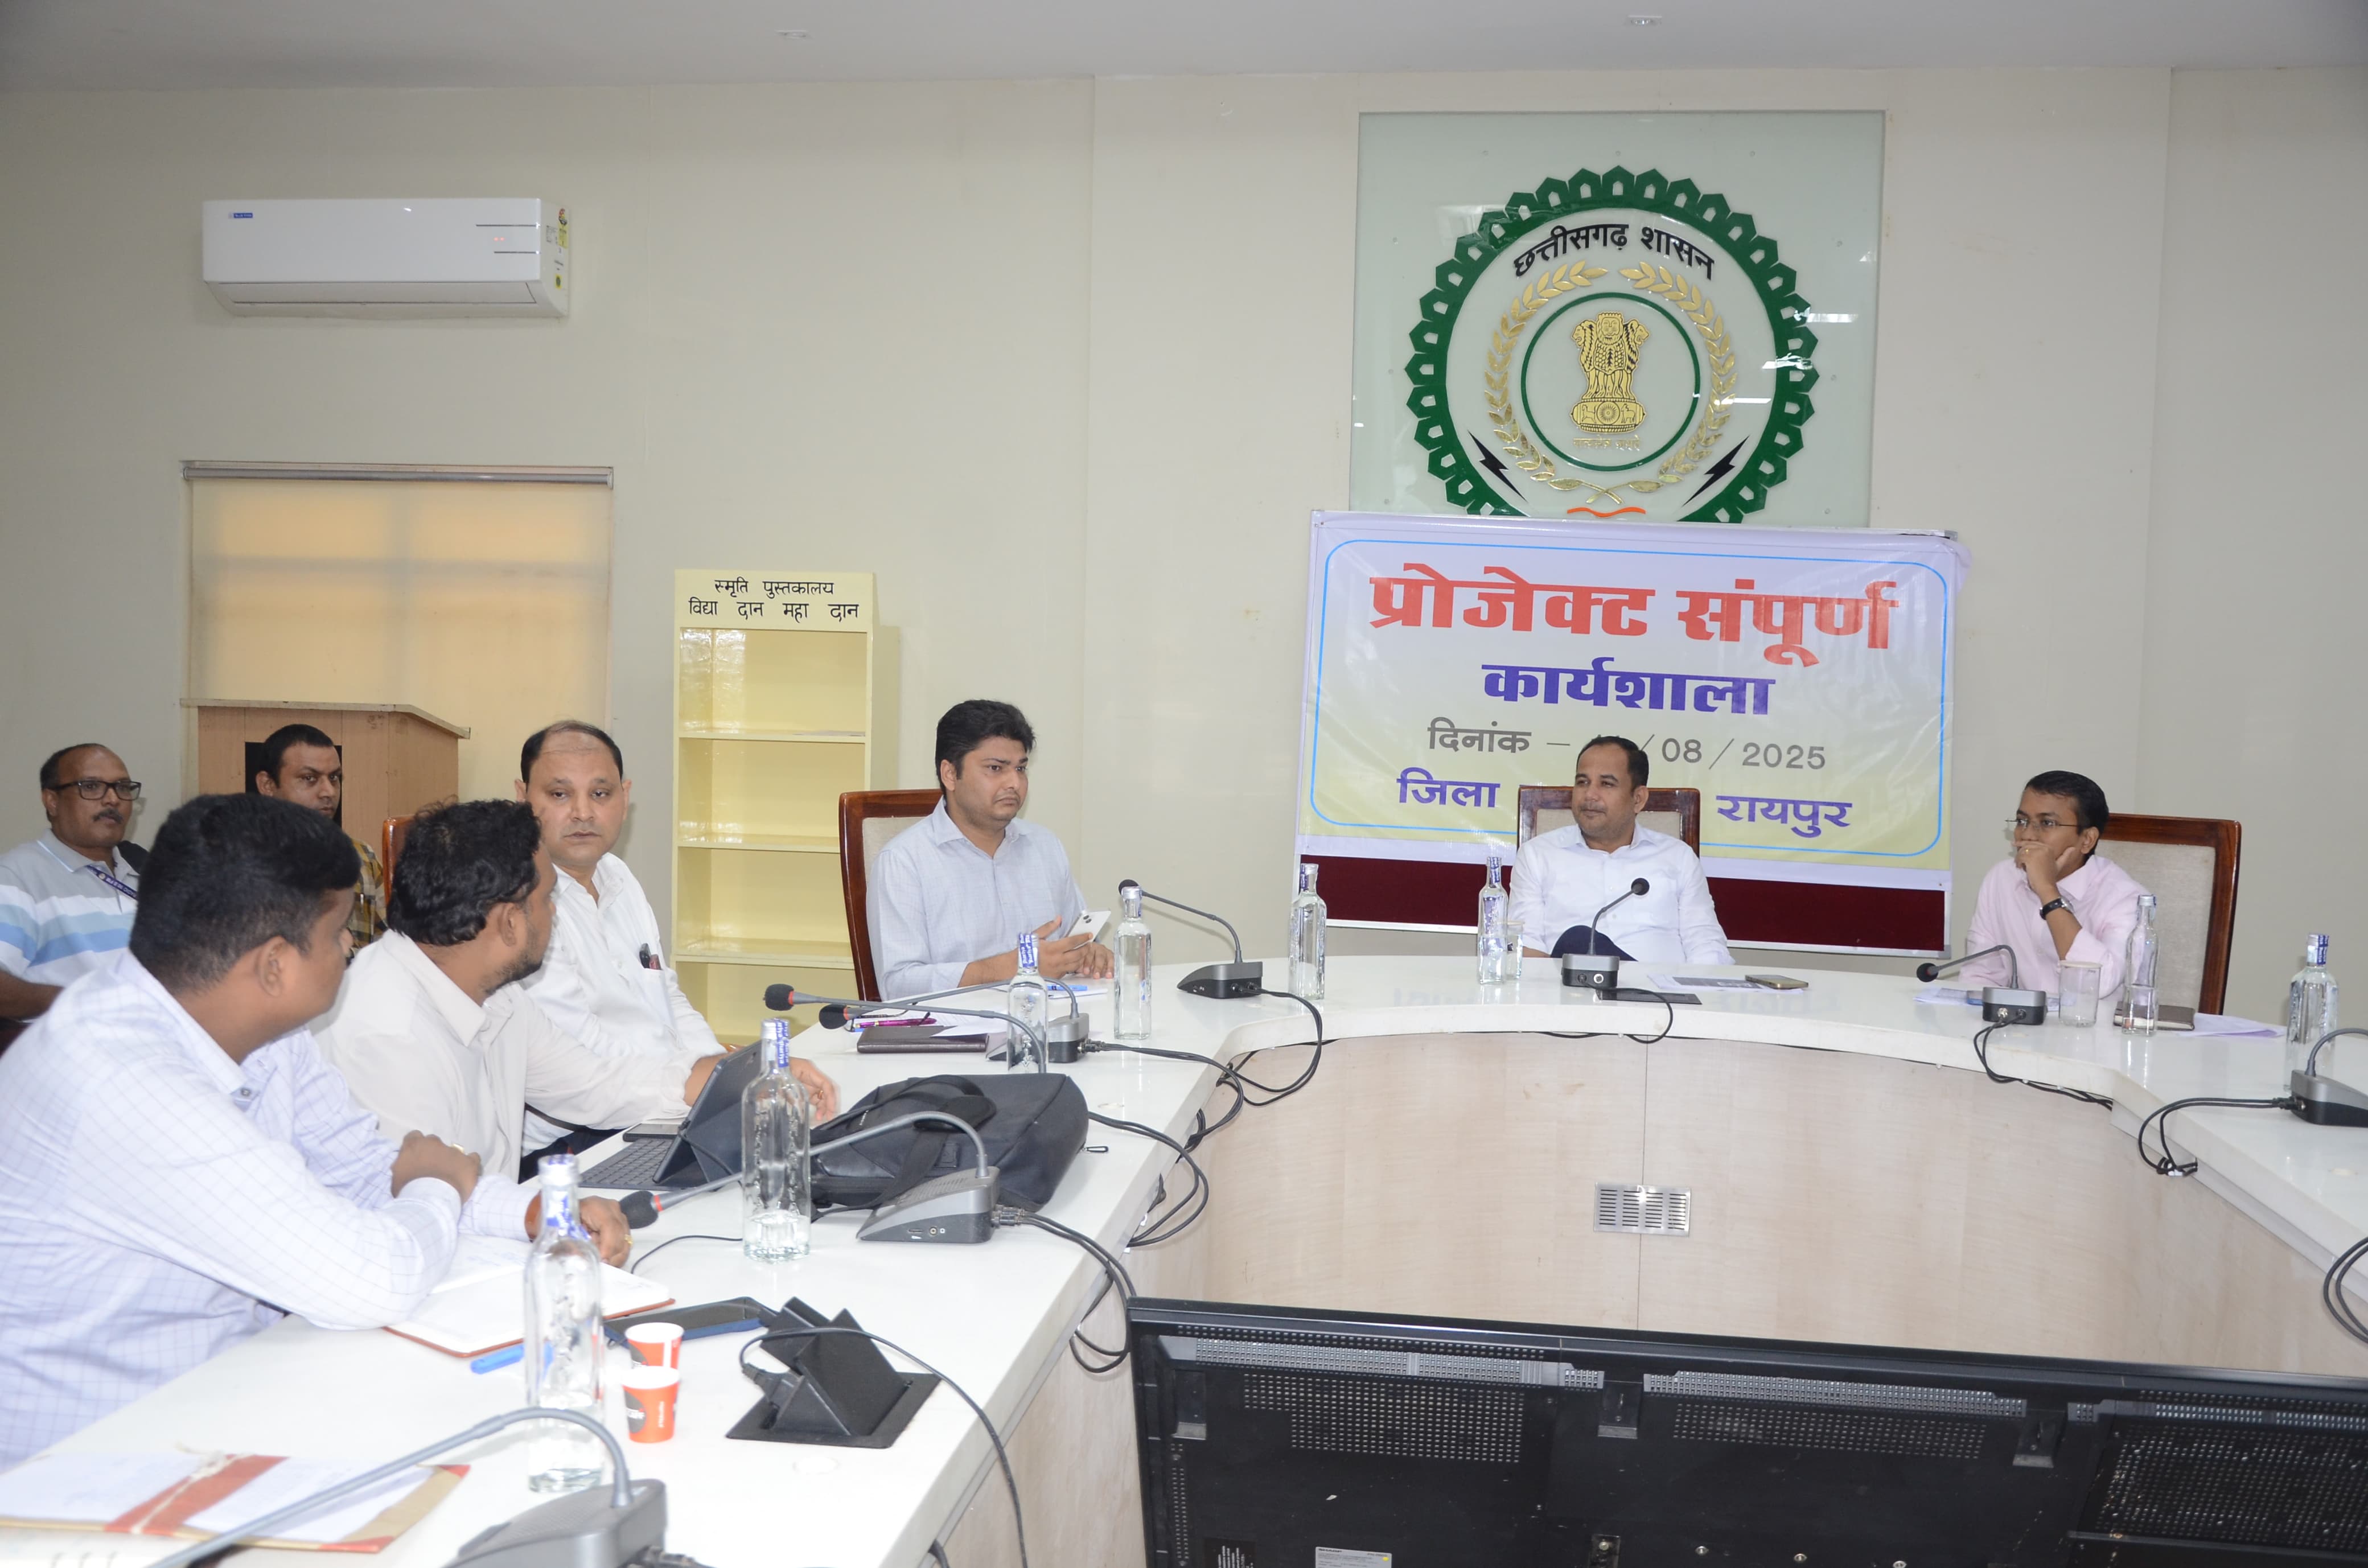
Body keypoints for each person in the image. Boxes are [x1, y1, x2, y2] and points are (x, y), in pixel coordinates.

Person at [0, 793, 493, 1466]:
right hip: (91, 1472)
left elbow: (361, 1168)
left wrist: (538, 1214)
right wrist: (437, 1186)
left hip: (223, 1400)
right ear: (274, 965)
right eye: (339, 931)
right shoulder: (125, 1081)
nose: (351, 946)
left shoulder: (245, 1022)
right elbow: (371, 1279)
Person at [315, 799, 720, 1260]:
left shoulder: (492, 991)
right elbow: (417, 1224)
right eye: (548, 899)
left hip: (489, 1254)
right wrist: (545, 1220)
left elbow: (592, 1083)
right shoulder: (387, 1035)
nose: (555, 913)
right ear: (510, 922)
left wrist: (714, 1080)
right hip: (427, 1276)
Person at [515, 721, 837, 1159]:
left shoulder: (618, 876)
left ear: (625, 797)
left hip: (660, 1102)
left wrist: (723, 1076)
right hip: (576, 1137)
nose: (583, 812)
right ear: (523, 798)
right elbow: (590, 1063)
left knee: (805, 1142)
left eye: (600, 793)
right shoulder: (522, 907)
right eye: (559, 794)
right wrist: (708, 1080)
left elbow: (666, 998)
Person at [868, 699, 1113, 998]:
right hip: (957, 1024)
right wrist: (1012, 966)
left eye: (1020, 768)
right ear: (950, 774)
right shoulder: (904, 861)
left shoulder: (1045, 847)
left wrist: (1089, 954)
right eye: (995, 768)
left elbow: (1077, 941)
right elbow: (898, 985)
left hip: (1049, 1016)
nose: (1014, 783)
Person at [1510, 735, 1732, 964]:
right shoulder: (1537, 855)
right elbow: (1526, 946)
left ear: (1638, 799)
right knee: (1578, 940)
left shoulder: (1678, 857)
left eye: (1607, 784)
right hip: (1571, 984)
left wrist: (1698, 985)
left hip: (1659, 984)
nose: (1590, 795)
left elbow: (1705, 943)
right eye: (1583, 782)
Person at [1961, 770, 2151, 1002]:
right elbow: (1980, 977)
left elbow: (2099, 985)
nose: (2027, 835)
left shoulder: (2127, 898)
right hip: (2018, 1023)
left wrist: (2047, 891)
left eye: (2047, 823)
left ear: (2087, 839)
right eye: (2022, 821)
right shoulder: (2001, 878)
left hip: (2094, 1024)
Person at [0, 744, 145, 1020]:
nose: (113, 799)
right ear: (52, 801)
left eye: (123, 788)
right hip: (83, 1043)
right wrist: (85, 1002)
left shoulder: (147, 874)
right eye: (91, 787)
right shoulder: (16, 877)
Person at [252, 722, 387, 950]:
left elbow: (389, 948)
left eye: (334, 778)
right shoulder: (244, 863)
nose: (329, 792)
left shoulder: (362, 856)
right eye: (309, 778)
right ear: (268, 785)